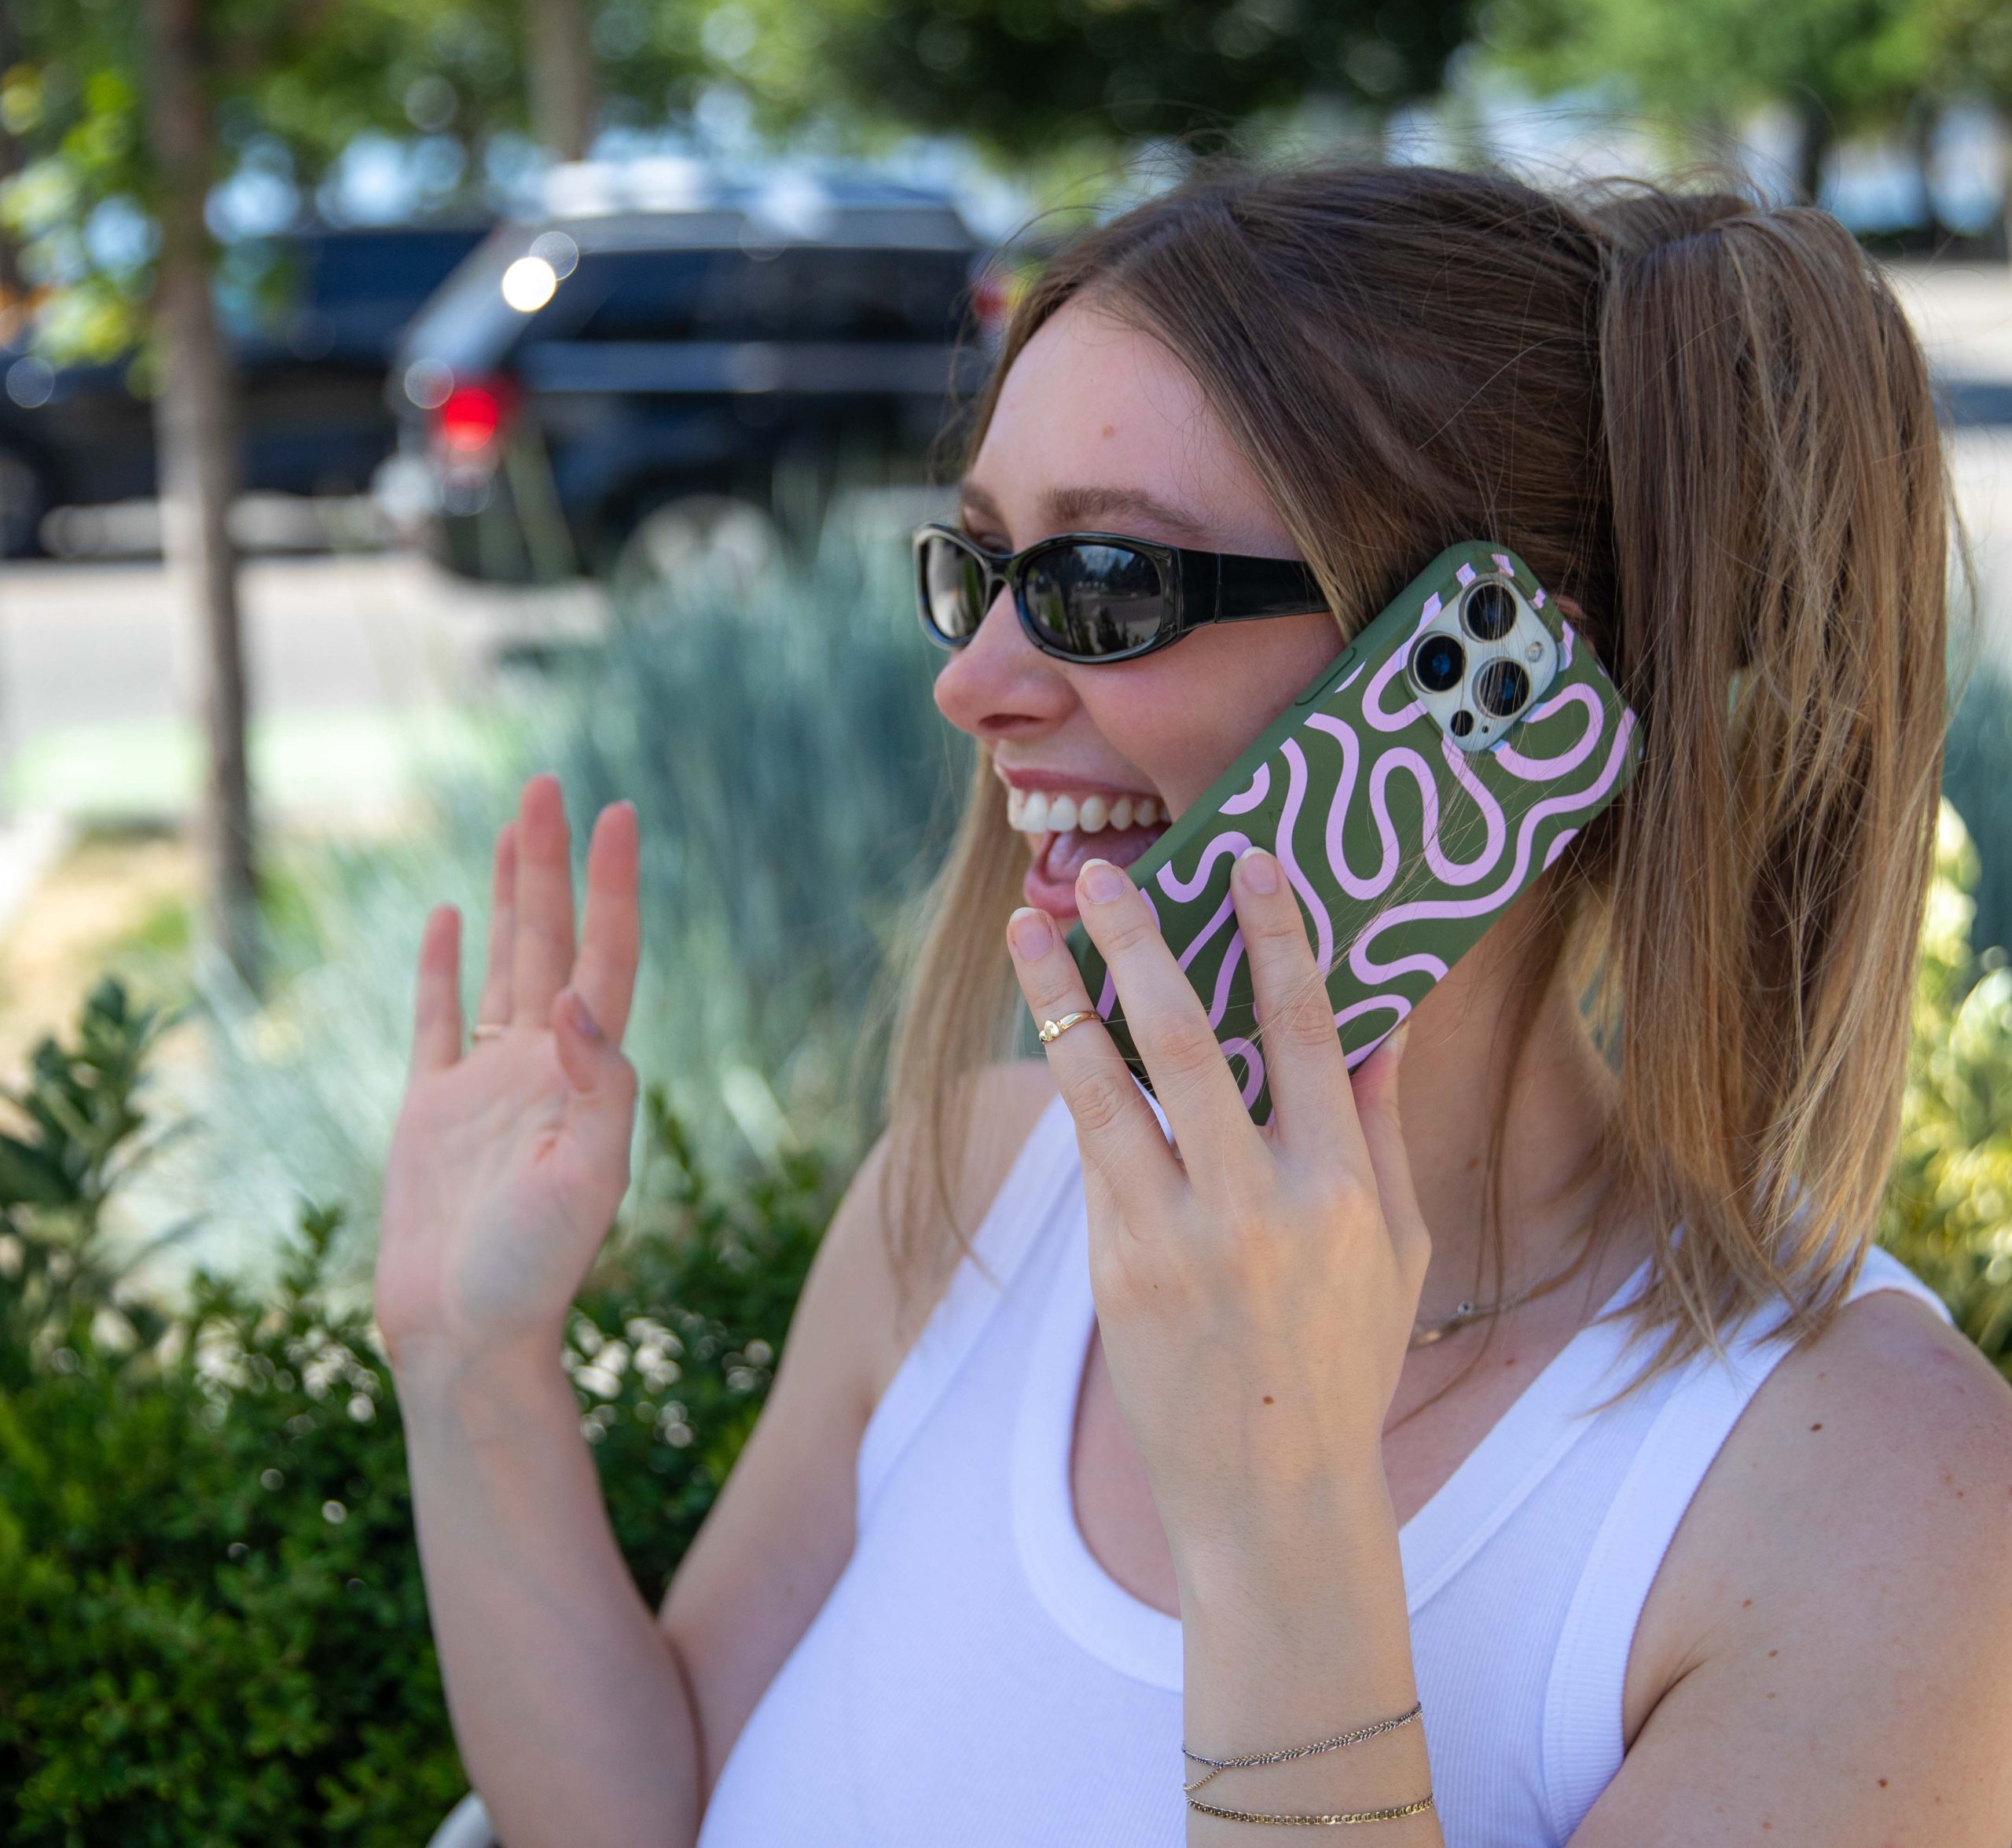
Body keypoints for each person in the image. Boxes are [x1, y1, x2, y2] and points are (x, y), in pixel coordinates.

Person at [374, 161, 2012, 1846]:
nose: (971, 684)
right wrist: (471, 1358)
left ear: (1501, 687)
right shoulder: (976, 1198)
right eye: (983, 565)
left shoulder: (1872, 1495)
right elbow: (633, 1814)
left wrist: (1278, 1521)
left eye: (1105, 582)